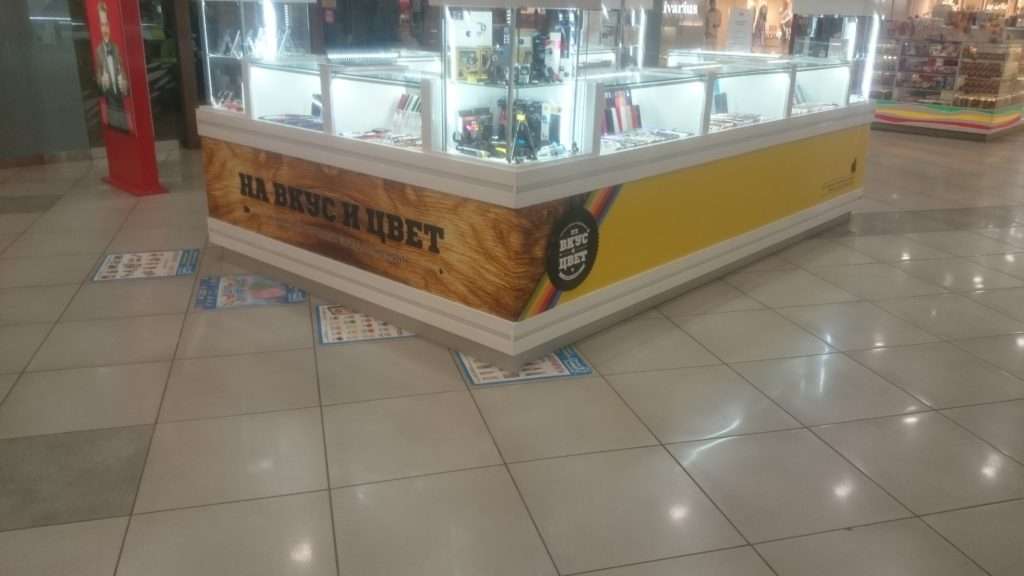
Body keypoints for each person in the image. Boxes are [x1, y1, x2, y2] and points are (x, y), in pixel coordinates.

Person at [94, 1, 131, 131]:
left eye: (106, 25)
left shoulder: (116, 48)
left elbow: (124, 73)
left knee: (125, 132)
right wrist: (102, 83)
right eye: (102, 25)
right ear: (99, 27)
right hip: (109, 105)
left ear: (110, 26)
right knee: (115, 131)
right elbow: (98, 80)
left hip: (121, 105)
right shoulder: (98, 51)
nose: (105, 29)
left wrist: (125, 84)